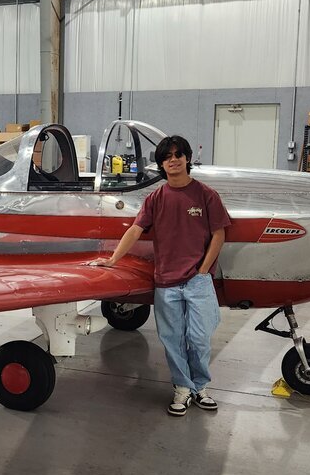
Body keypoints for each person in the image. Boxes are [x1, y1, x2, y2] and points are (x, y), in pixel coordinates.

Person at [91, 135, 231, 416]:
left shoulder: (206, 195)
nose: (174, 160)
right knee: (173, 340)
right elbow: (135, 229)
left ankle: (200, 387)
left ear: (188, 159)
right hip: (166, 282)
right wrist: (113, 260)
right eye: (167, 157)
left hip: (197, 281)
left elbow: (219, 233)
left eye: (179, 154)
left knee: (201, 337)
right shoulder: (155, 198)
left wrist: (203, 270)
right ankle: (182, 388)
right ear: (162, 164)